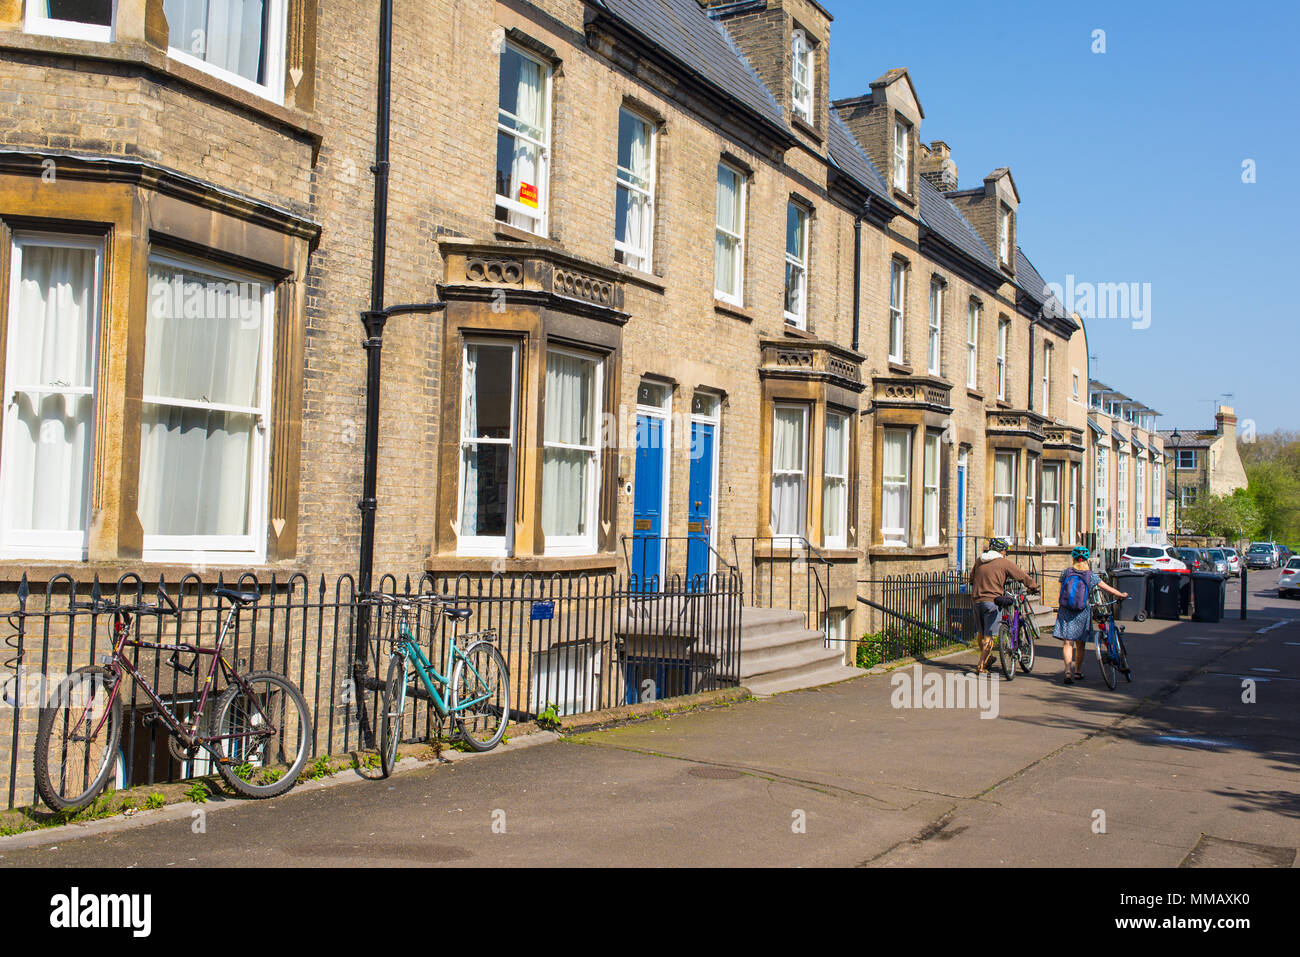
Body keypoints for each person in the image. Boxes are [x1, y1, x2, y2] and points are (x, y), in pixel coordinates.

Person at [1053, 546, 1128, 685]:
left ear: (1073, 559)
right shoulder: (1090, 576)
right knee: (1080, 644)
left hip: (1066, 610)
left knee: (1067, 643)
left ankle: (1067, 672)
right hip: (1082, 611)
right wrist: (1121, 594)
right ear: (1087, 560)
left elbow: (1060, 592)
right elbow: (1106, 588)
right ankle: (1078, 671)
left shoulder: (1065, 573)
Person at [970, 538, 1039, 674]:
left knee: (982, 633)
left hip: (977, 601)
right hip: (992, 601)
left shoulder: (979, 560)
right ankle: (981, 665)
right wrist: (1033, 586)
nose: (1005, 553)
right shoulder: (1003, 562)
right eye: (1005, 551)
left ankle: (987, 658)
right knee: (989, 635)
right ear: (1002, 551)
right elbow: (1021, 576)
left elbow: (971, 579)